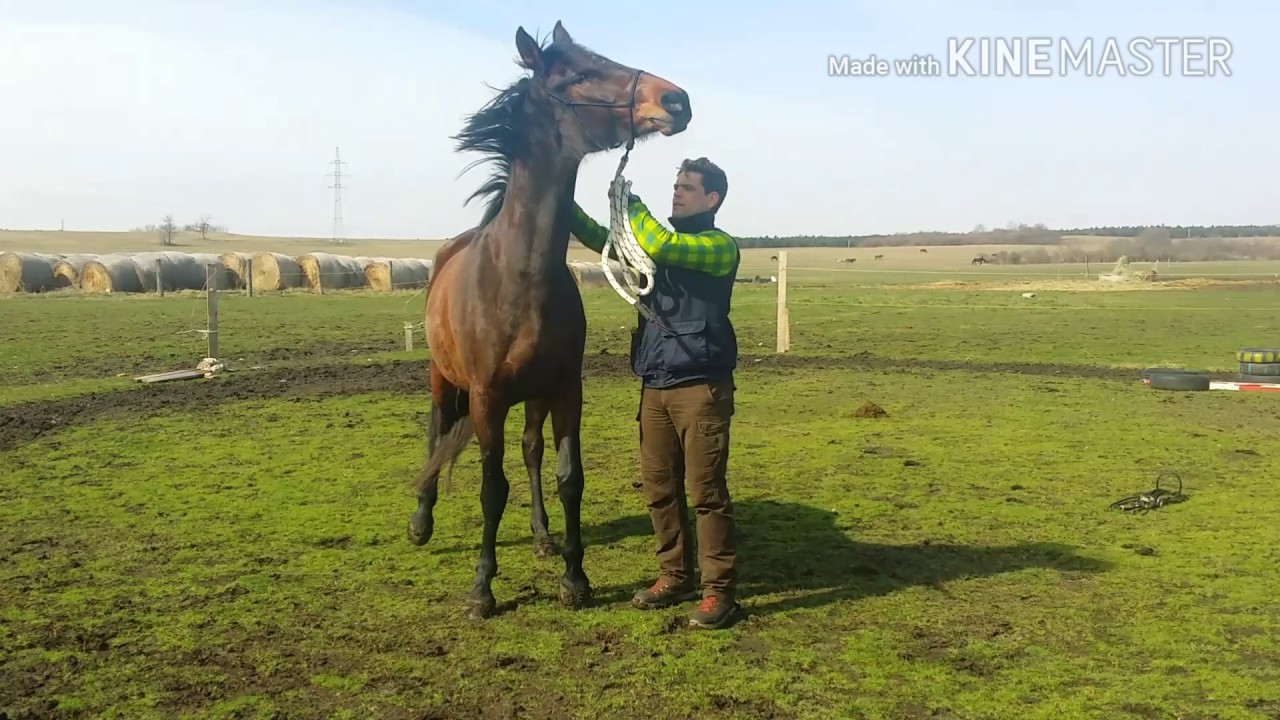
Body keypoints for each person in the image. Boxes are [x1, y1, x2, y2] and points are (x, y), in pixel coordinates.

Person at [569, 156, 741, 630]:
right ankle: (673, 574)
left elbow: (660, 243)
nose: (677, 192)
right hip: (655, 386)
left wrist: (633, 204)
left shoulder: (717, 247)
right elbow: (605, 241)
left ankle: (718, 592)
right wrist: (564, 202)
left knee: (706, 493)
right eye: (675, 185)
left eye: (687, 187)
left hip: (700, 389)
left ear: (713, 199)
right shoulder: (651, 249)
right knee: (659, 490)